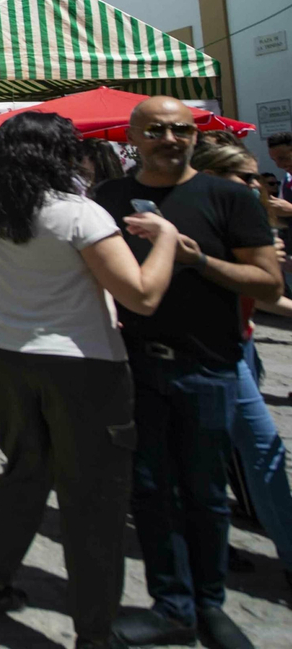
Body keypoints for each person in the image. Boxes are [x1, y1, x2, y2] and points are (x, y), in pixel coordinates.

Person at [0, 112, 179, 646]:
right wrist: (169, 238)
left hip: (5, 356)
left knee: (23, 475)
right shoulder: (78, 214)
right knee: (94, 500)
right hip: (82, 366)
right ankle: (94, 628)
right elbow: (141, 295)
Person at [92, 98, 281, 649]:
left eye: (180, 129)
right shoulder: (110, 199)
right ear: (134, 137)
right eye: (155, 130)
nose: (170, 138)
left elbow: (268, 284)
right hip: (133, 365)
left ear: (196, 136)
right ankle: (171, 605)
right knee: (150, 491)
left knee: (206, 491)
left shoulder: (227, 197)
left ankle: (211, 604)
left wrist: (200, 262)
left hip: (209, 367)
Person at [190, 140, 292, 595]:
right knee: (245, 452)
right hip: (203, 353)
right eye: (246, 178)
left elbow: (267, 295)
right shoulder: (193, 225)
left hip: (238, 346)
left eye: (256, 178)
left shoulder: (248, 221)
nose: (257, 185)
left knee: (256, 452)